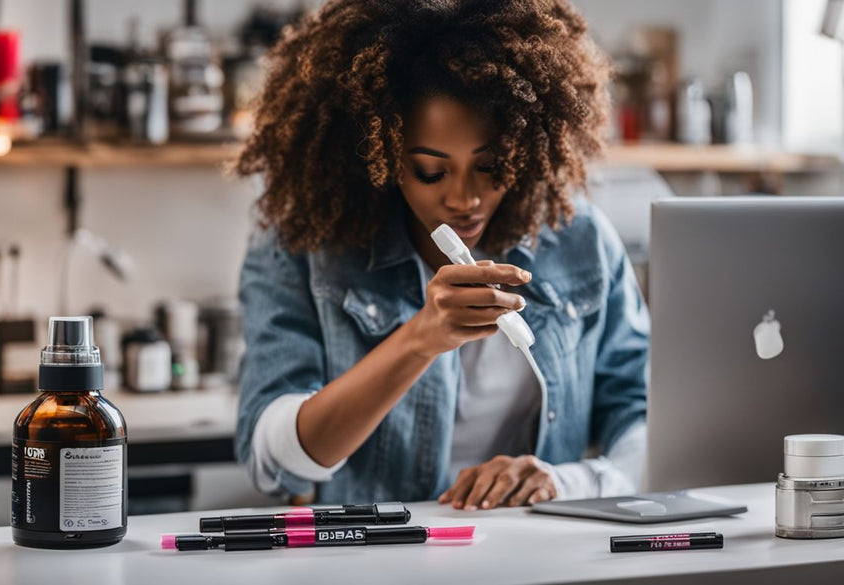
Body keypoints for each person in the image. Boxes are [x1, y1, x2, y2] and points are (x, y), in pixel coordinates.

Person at [233, 0, 649, 510]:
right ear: (376, 154)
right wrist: (418, 340)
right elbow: (271, 463)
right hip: (379, 560)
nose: (464, 199)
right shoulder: (303, 246)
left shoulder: (579, 239)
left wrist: (567, 483)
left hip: (539, 553)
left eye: (491, 164)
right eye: (432, 172)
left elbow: (646, 417)